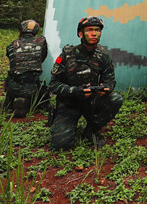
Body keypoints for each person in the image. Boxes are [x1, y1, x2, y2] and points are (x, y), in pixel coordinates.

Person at [49, 16, 123, 150]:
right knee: (61, 145)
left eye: (97, 30)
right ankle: (63, 123)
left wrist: (105, 88)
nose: (94, 33)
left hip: (90, 102)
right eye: (89, 30)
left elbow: (110, 81)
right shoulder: (67, 54)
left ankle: (91, 130)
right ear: (80, 34)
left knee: (116, 99)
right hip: (69, 103)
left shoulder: (102, 55)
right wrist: (75, 91)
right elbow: (53, 84)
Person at [4, 19, 49, 118]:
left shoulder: (11, 45)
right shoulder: (41, 41)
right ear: (36, 30)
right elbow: (42, 58)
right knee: (41, 88)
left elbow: (12, 61)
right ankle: (30, 101)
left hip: (13, 87)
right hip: (32, 86)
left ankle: (10, 101)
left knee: (11, 76)